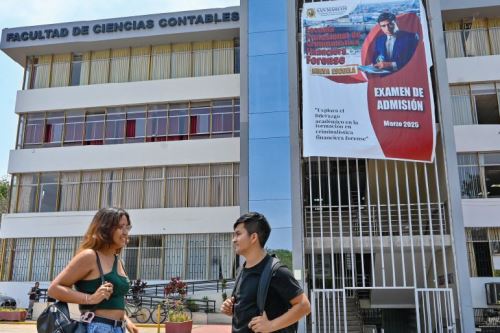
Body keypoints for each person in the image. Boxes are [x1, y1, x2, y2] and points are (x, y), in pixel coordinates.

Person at [48, 208, 138, 333]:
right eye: (120, 227)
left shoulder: (118, 260)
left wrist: (127, 322)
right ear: (105, 229)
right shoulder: (90, 256)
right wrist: (90, 299)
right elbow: (54, 289)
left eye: (127, 227)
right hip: (97, 327)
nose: (125, 232)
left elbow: (114, 299)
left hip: (119, 327)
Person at [221, 212, 311, 333]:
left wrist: (271, 326)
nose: (234, 240)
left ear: (253, 237)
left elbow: (304, 306)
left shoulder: (277, 271)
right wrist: (232, 308)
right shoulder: (241, 271)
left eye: (238, 234)